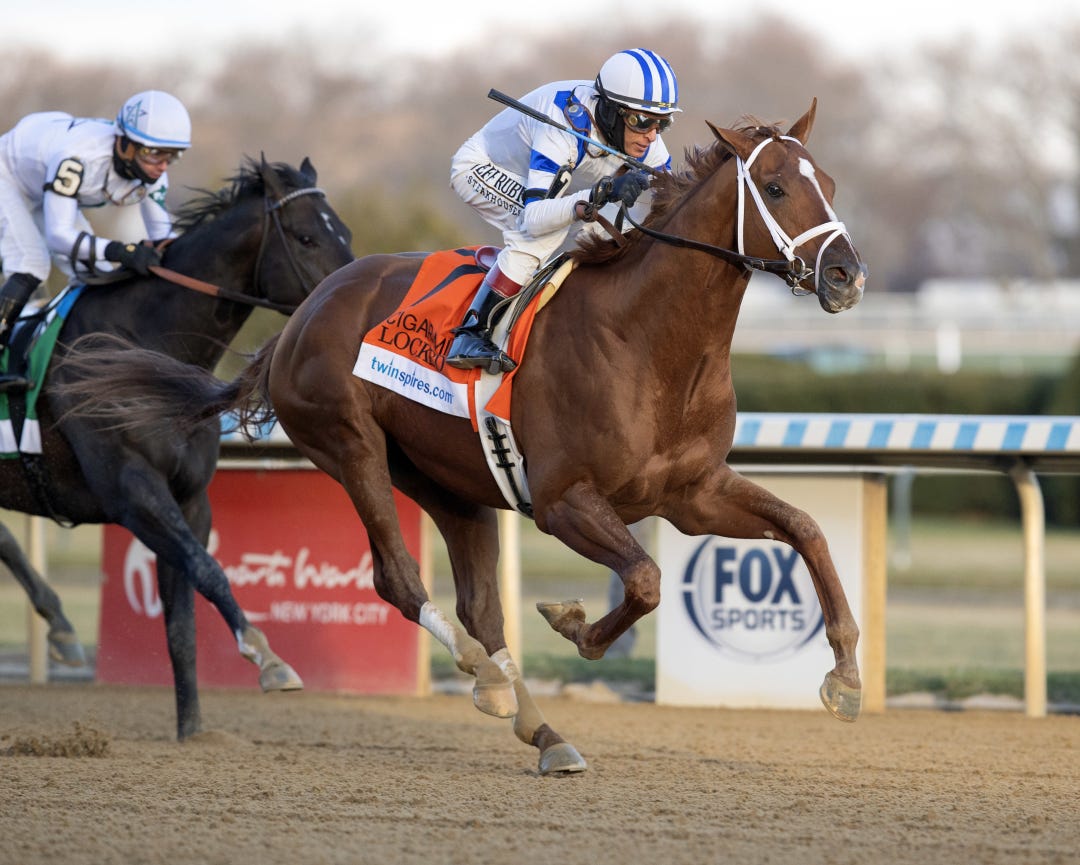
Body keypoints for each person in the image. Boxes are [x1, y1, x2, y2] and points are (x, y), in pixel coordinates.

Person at [447, 48, 680, 372]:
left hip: (544, 185)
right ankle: (472, 333)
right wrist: (603, 192)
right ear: (611, 111)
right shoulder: (562, 126)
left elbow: (673, 201)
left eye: (662, 124)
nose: (651, 136)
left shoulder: (646, 140)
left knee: (610, 231)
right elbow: (535, 217)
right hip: (480, 167)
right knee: (544, 234)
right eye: (641, 121)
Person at [0, 89, 191, 390]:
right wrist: (122, 251)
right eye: (155, 153)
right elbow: (59, 236)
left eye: (172, 155)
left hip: (41, 185)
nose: (162, 165)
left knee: (96, 272)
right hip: (8, 176)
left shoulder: (154, 172)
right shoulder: (78, 156)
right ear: (125, 144)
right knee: (31, 263)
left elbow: (163, 237)